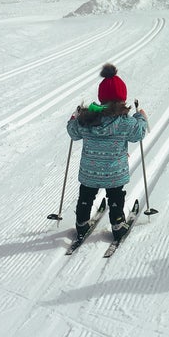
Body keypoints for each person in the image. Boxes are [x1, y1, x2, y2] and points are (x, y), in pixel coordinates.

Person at [67, 63, 148, 241]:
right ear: (123, 98)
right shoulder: (125, 122)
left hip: (90, 172)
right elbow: (139, 134)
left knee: (86, 196)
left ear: (101, 97)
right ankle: (118, 226)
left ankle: (81, 225)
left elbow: (73, 133)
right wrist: (141, 117)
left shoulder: (86, 120)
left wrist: (74, 117)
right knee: (115, 197)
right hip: (114, 173)